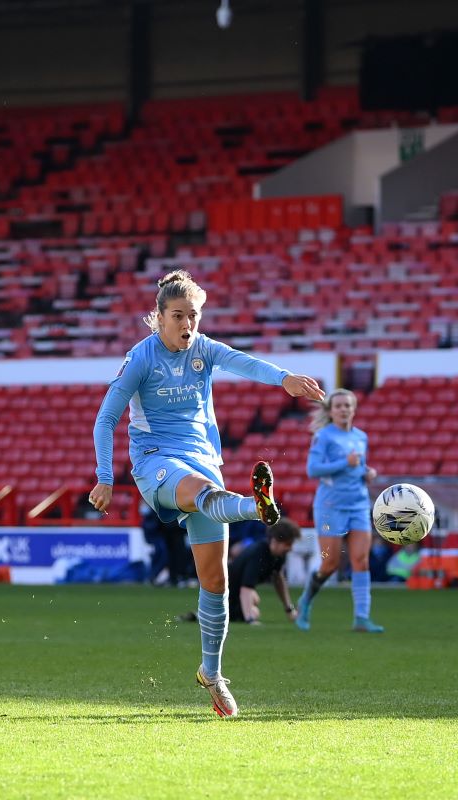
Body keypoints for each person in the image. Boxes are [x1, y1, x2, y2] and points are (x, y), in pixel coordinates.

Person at [89, 269, 325, 718]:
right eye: (177, 315)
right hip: (156, 461)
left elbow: (245, 361)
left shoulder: (203, 349)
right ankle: (254, 507)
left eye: (192, 315)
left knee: (216, 582)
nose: (187, 324)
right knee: (201, 492)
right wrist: (105, 476)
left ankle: (212, 674)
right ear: (158, 318)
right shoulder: (141, 358)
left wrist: (285, 379)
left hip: (202, 461)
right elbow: (105, 418)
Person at [295, 389, 383, 633]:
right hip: (330, 506)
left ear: (354, 409)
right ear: (331, 411)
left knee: (361, 561)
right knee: (329, 563)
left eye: (348, 405)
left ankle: (362, 617)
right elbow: (313, 470)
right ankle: (305, 602)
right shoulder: (323, 437)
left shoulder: (361, 437)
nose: (344, 409)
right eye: (339, 406)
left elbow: (358, 465)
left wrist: (367, 472)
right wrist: (347, 463)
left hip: (358, 503)